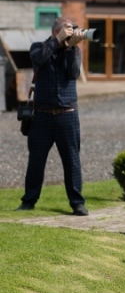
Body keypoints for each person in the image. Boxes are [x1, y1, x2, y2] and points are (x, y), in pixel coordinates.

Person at [17, 17, 89, 216]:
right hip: (41, 116)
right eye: (68, 30)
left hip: (67, 115)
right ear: (57, 31)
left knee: (72, 160)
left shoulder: (73, 51)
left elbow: (73, 73)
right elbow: (39, 59)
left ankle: (77, 203)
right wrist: (57, 41)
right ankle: (29, 201)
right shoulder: (37, 47)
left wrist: (71, 48)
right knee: (36, 161)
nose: (72, 33)